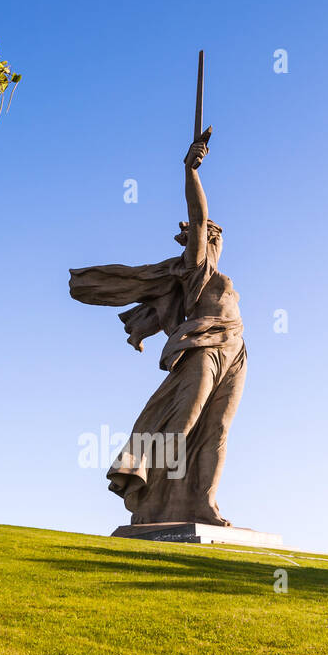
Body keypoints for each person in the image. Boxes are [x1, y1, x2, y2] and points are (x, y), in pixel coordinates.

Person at [69, 132, 246, 526]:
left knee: (217, 427)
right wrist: (191, 171)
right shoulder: (195, 268)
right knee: (183, 422)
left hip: (235, 349)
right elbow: (199, 216)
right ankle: (148, 492)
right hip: (203, 347)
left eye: (215, 237)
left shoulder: (219, 274)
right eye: (207, 237)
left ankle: (204, 503)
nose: (212, 240)